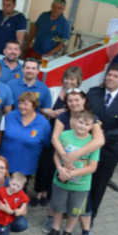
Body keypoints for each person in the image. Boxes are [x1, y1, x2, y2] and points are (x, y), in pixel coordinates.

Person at [80, 64, 118, 235]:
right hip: (87, 147)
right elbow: (84, 115)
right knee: (81, 181)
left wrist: (104, 135)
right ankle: (74, 210)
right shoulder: (93, 93)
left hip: (109, 150)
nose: (110, 78)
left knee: (99, 185)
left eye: (115, 76)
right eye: (109, 75)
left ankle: (90, 217)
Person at [44, 110, 100, 235]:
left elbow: (92, 167)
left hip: (81, 185)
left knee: (74, 211)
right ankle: (55, 229)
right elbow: (56, 155)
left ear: (91, 126)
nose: (82, 126)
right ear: (74, 121)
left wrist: (73, 173)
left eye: (86, 124)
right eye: (80, 122)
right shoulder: (64, 135)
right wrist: (59, 168)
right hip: (61, 181)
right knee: (58, 208)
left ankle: (67, 233)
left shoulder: (93, 143)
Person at [32, 67, 82, 206]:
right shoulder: (53, 91)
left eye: (72, 79)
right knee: (43, 164)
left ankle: (47, 192)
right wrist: (52, 112)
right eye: (67, 78)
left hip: (65, 137)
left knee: (56, 165)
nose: (68, 81)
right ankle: (37, 192)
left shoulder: (79, 97)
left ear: (78, 81)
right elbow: (40, 108)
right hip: (49, 133)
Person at [0, 92, 51, 176]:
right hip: (4, 164)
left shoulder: (43, 124)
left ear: (34, 106)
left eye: (26, 104)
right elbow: (0, 134)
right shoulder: (10, 116)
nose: (22, 106)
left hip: (26, 167)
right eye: (20, 103)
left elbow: (46, 143)